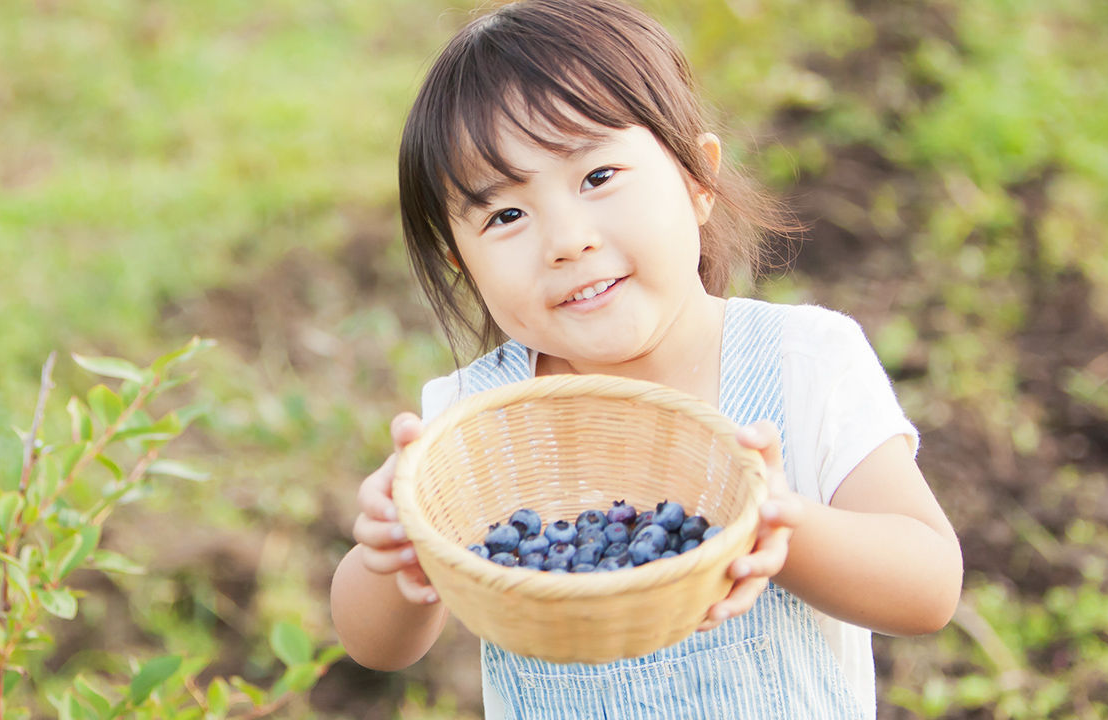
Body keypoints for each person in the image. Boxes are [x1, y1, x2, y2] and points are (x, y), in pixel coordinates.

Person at [327, 0, 964, 716]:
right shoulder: (473, 427)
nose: (566, 240)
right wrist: (393, 548)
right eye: (506, 215)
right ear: (460, 262)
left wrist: (785, 527)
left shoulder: (803, 363)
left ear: (699, 179)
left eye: (597, 177)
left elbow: (929, 585)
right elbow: (376, 646)